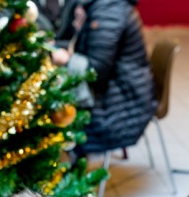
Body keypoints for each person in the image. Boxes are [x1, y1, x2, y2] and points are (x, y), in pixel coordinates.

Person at [50, 0, 157, 157]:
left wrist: (66, 60)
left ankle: (68, 170)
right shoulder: (102, 6)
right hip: (119, 92)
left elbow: (97, 72)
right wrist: (80, 30)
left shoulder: (108, 9)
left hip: (122, 105)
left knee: (50, 112)